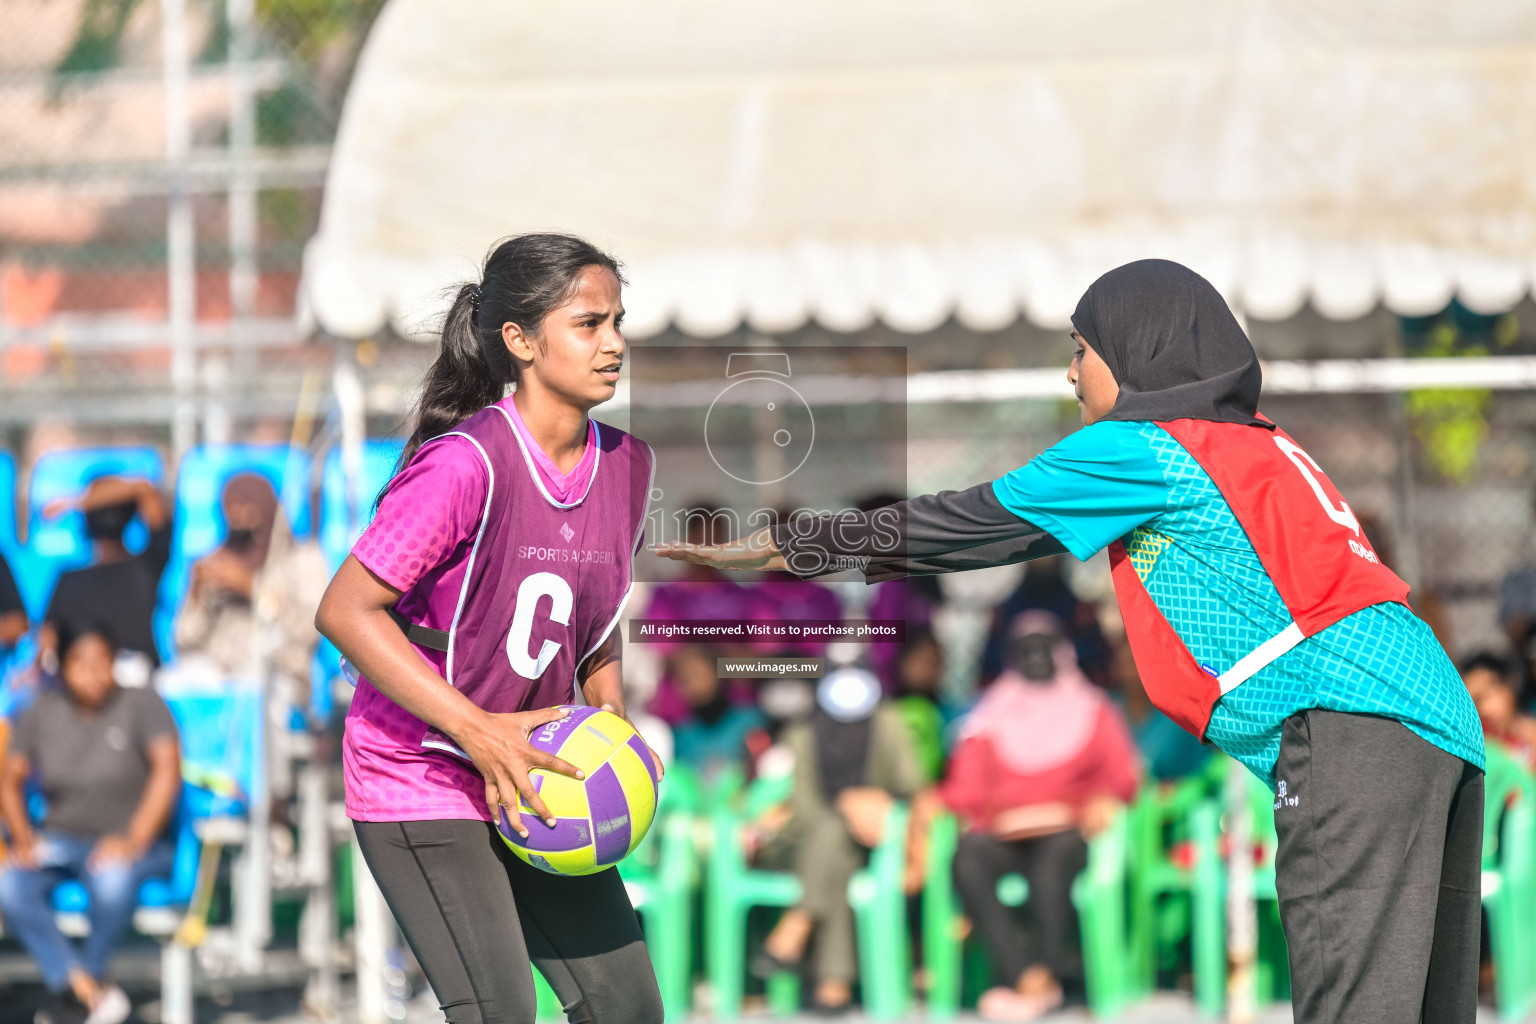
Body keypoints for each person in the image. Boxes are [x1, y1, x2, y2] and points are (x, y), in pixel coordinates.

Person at [657, 259, 1486, 1024]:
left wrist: (792, 544)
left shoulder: (1153, 446)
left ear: (1136, 353)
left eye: (1081, 348)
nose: (1070, 371)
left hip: (1352, 725)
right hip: (1434, 718)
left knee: (1354, 1005)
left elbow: (975, 523)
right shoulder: (1260, 442)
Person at [314, 234, 663, 1024]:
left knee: (628, 1009)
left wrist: (607, 714)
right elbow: (343, 611)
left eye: (618, 321)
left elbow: (592, 619)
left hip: (535, 773)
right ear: (520, 341)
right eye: (589, 324)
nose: (614, 343)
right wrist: (479, 731)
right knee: (500, 1012)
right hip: (423, 770)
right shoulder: (465, 465)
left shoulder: (629, 467)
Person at [933, 612, 1139, 1020]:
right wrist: (938, 801)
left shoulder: (1094, 711)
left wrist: (1103, 800)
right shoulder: (989, 715)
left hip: (1068, 829)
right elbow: (967, 785)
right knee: (967, 857)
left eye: (1044, 647)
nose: (1036, 658)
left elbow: (1121, 775)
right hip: (1006, 832)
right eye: (1025, 650)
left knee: (1052, 867)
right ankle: (1025, 976)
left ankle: (1048, 972)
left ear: (1062, 652)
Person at [0, 622, 180, 1024]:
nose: (95, 672)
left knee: (112, 881)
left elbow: (167, 770)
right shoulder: (40, 709)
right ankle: (87, 989)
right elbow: (8, 778)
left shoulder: (143, 703)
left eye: (104, 661)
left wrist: (133, 839)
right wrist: (22, 838)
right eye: (82, 662)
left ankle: (81, 995)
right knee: (8, 883)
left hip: (134, 846)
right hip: (61, 842)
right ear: (62, 666)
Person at [755, 667, 922, 1013]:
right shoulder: (803, 733)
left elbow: (911, 788)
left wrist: (871, 805)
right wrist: (848, 807)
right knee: (832, 840)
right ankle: (834, 982)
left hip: (870, 841)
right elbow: (803, 814)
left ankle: (798, 926)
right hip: (798, 844)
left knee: (836, 847)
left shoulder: (889, 724)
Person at [173, 472, 330, 701]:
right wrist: (197, 594)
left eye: (244, 507)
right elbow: (183, 641)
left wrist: (251, 587)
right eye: (229, 507)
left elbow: (309, 631)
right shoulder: (216, 561)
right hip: (217, 679)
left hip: (278, 677)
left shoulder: (302, 559)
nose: (235, 516)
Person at [41, 475, 172, 680]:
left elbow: (143, 488)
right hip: (82, 683)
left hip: (136, 679)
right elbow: (48, 642)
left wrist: (74, 502)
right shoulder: (68, 578)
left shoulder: (148, 564)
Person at [667, 643, 766, 784]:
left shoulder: (749, 721)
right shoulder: (680, 734)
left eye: (697, 675)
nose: (692, 685)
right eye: (684, 679)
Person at [1460, 651, 1536, 767]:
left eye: (1487, 696)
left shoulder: (1531, 733)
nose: (1484, 709)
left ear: (1508, 683)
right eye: (1475, 703)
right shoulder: (1478, 751)